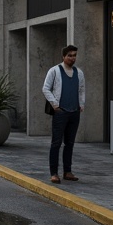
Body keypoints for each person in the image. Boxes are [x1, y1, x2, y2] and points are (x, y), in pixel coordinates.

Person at [42, 44, 85, 184]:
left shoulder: (79, 73)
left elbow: (82, 89)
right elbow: (46, 88)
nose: (72, 58)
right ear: (63, 56)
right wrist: (55, 105)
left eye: (74, 55)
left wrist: (81, 104)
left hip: (74, 112)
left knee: (70, 143)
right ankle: (54, 173)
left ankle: (68, 171)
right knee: (56, 143)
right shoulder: (54, 71)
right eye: (70, 55)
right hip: (61, 112)